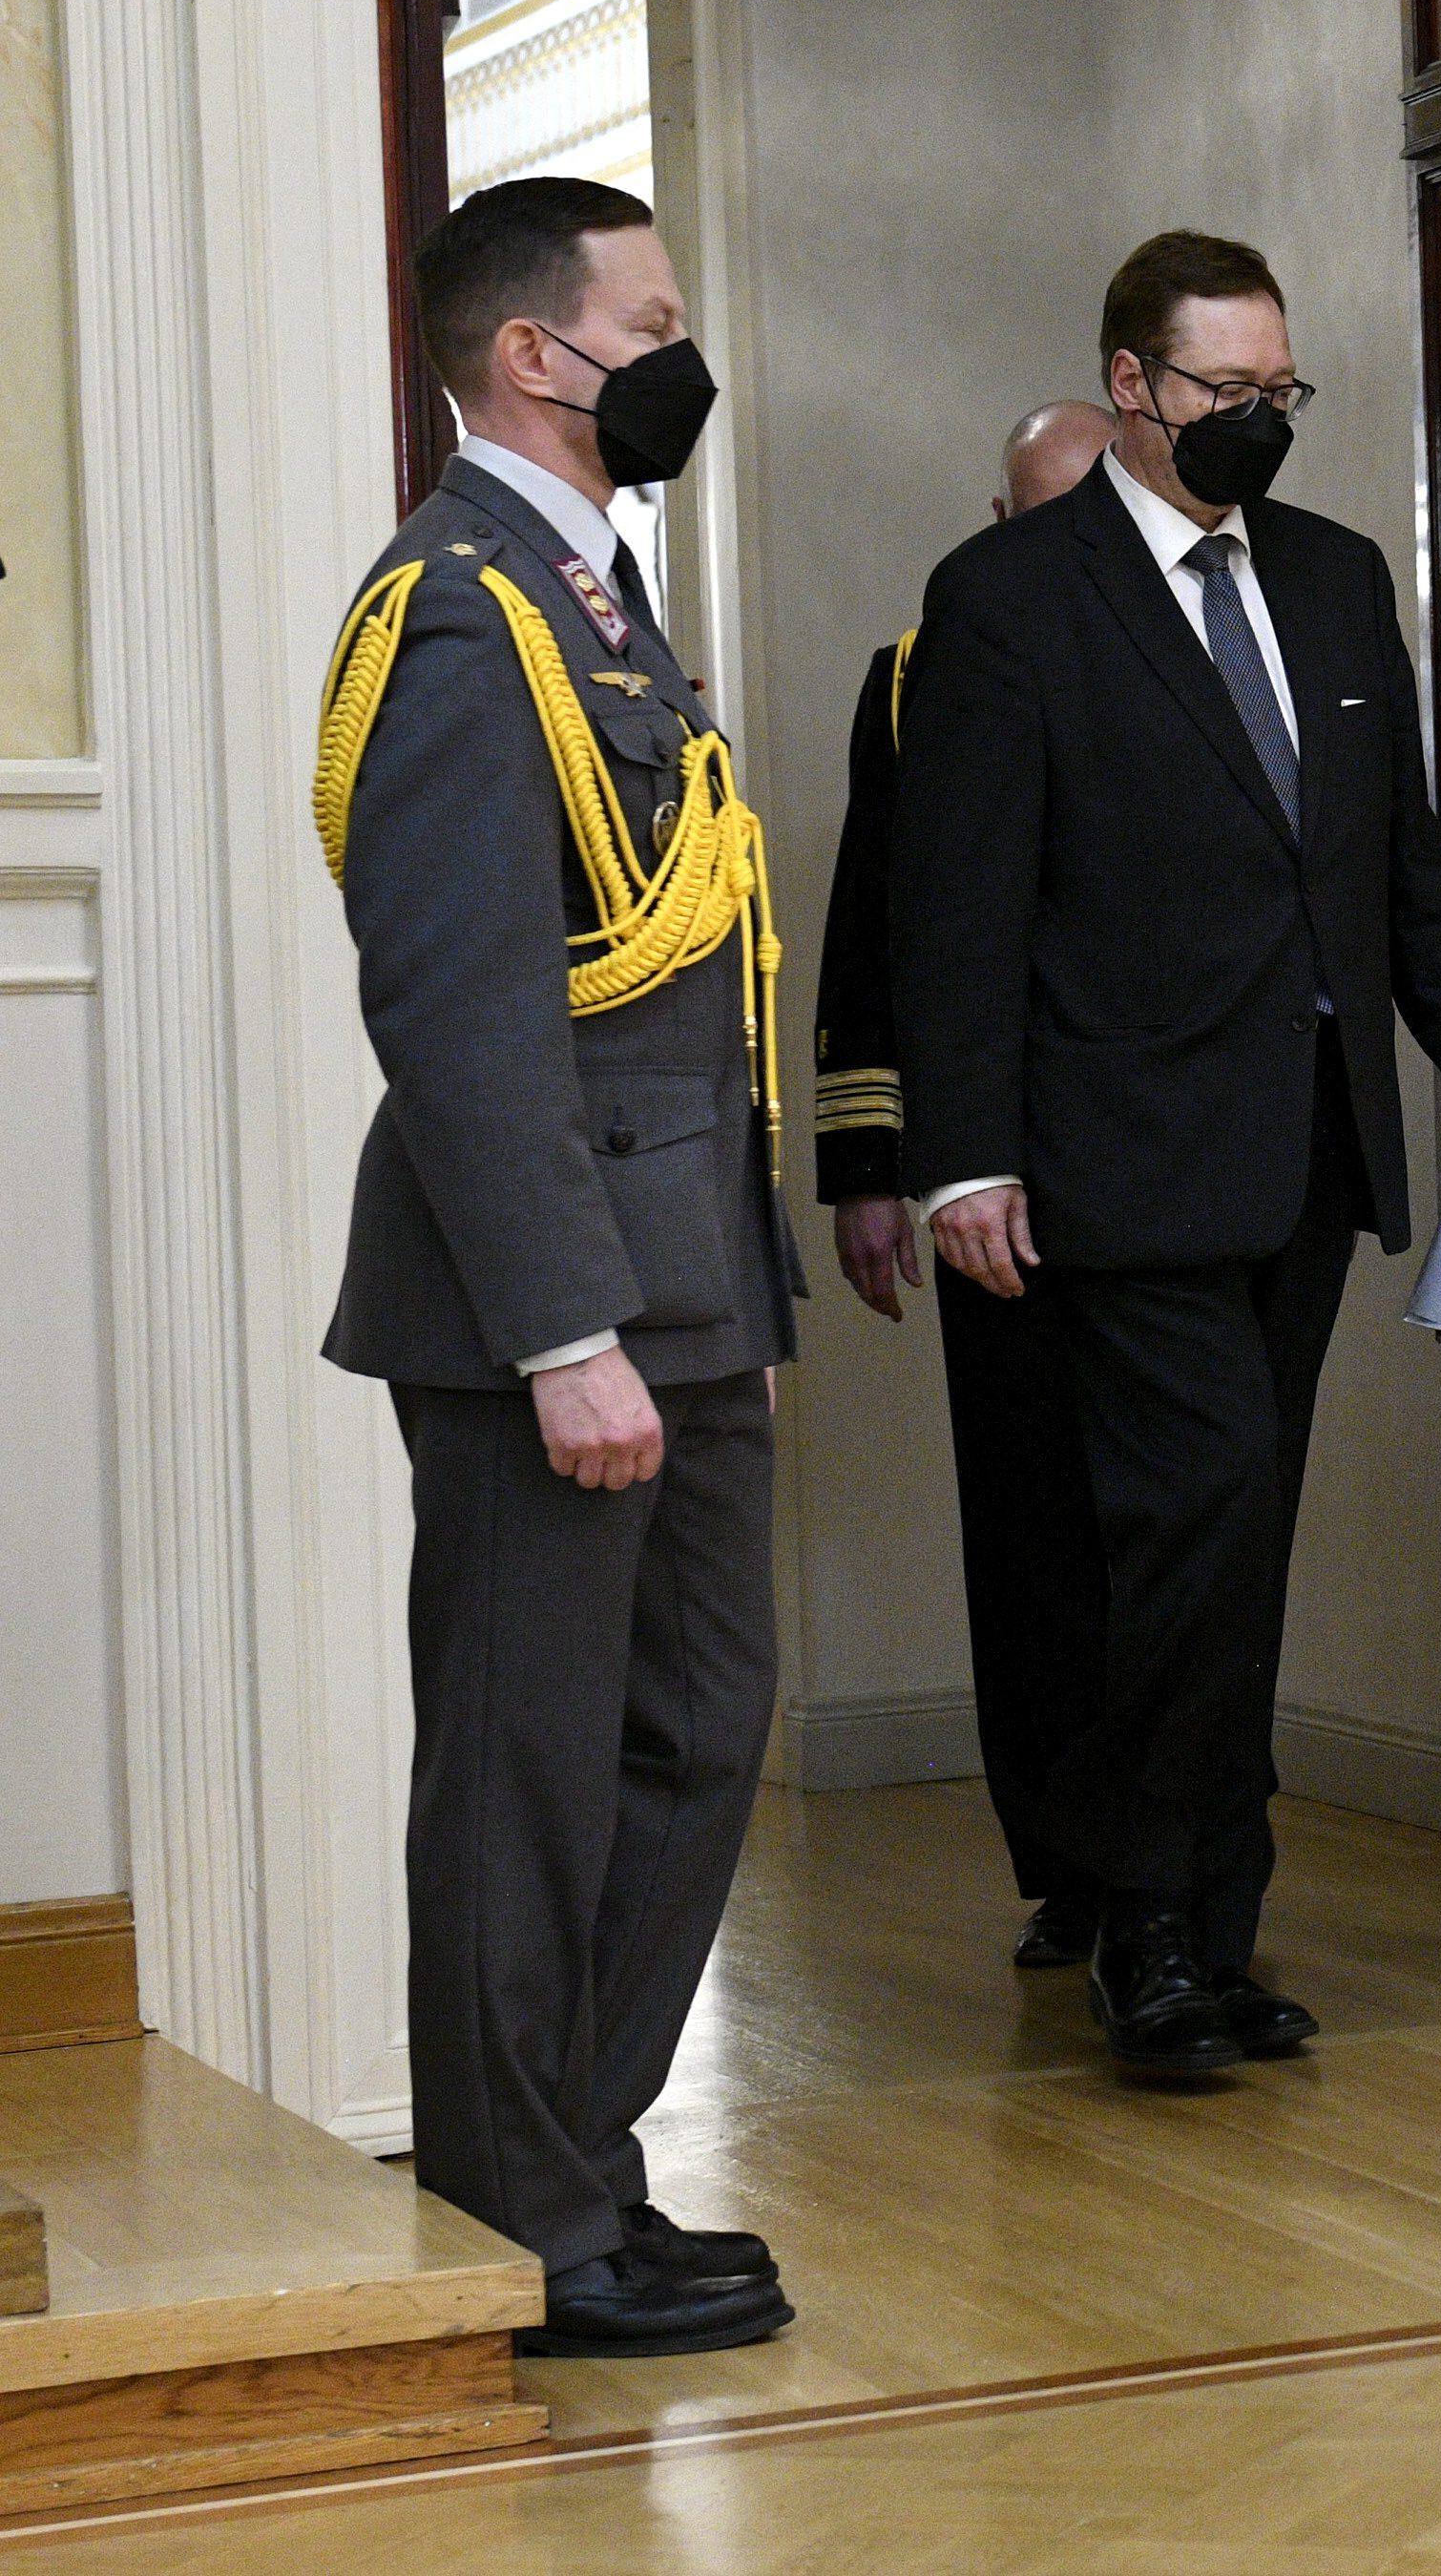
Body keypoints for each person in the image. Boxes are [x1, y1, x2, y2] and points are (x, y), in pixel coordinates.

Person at [892, 233, 1441, 2082]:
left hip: (1308, 1155)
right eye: (1224, 391)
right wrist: (960, 1158)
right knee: (1196, 1510)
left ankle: (1210, 1923)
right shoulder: (1011, 597)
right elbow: (962, 903)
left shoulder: (1336, 581)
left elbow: (1403, 869)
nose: (1259, 418)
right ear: (1133, 386)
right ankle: (1144, 1921)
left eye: (1280, 391)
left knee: (1237, 1536)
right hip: (1115, 1154)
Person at [315, 176, 798, 2356]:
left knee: (695, 1726)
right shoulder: (455, 609)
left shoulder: (590, 595)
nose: (682, 357)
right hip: (562, 1306)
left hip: (681, 1277)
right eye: (653, 323)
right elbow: (461, 1004)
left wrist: (713, 1298)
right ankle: (521, 2220)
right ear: (535, 354)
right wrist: (563, 1330)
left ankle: (577, 2161)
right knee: (527, 1764)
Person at [807, 399, 1119, 1973]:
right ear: (998, 527)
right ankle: (1068, 1859)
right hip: (992, 1179)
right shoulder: (916, 676)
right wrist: (874, 1164)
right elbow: (879, 920)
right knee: (1030, 1523)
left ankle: (1184, 1862)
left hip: (1157, 1158)